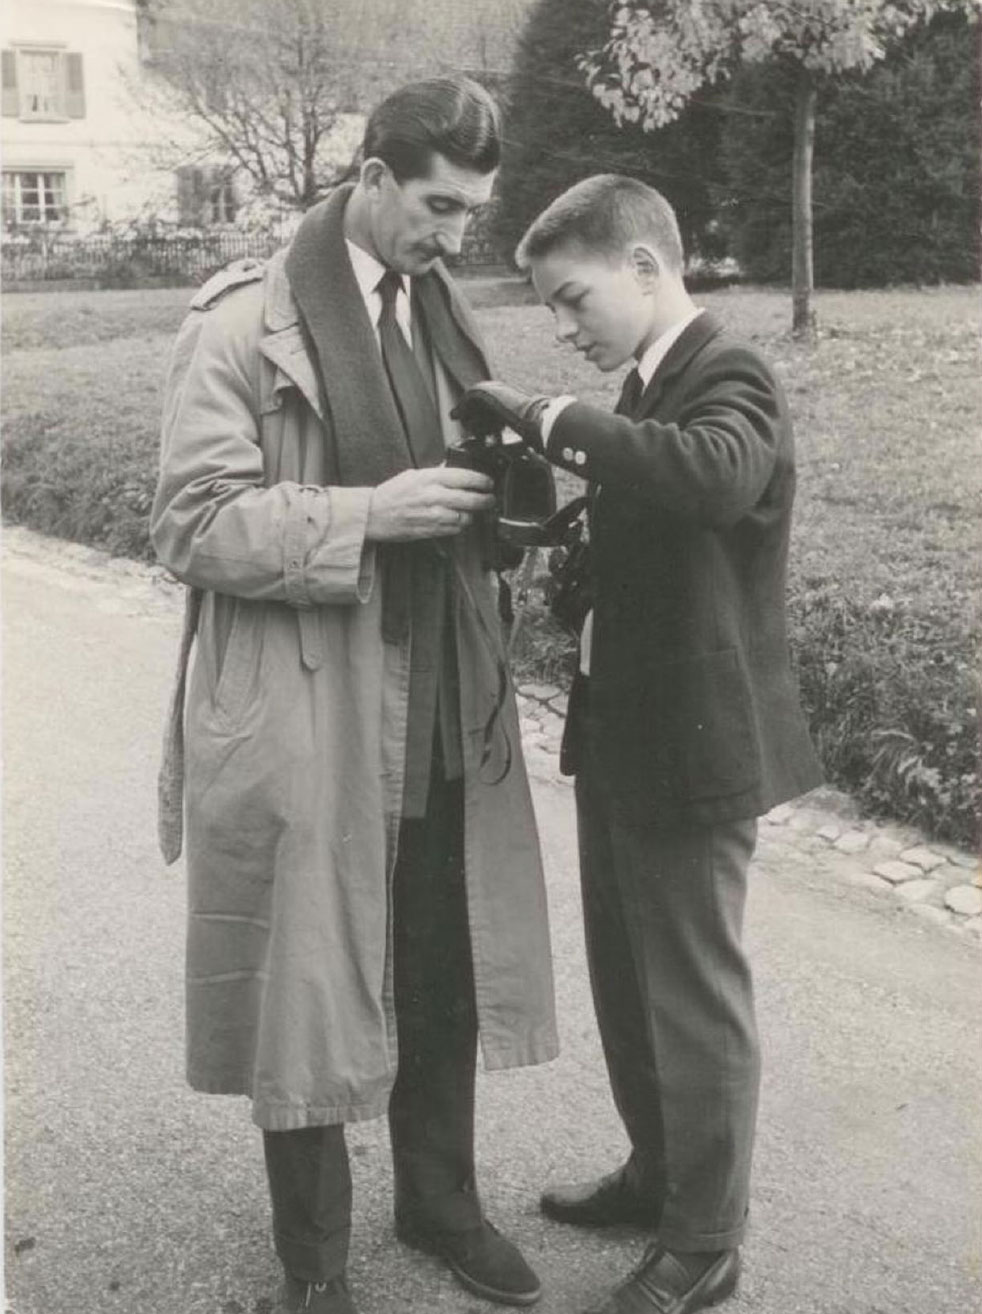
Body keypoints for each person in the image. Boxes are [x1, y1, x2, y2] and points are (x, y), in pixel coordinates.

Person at [151, 77, 558, 1314]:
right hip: (308, 706)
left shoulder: (440, 307)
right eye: (438, 205)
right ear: (373, 177)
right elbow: (189, 523)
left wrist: (513, 507)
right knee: (308, 976)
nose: (454, 234)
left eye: (473, 214)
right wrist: (366, 517)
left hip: (438, 694)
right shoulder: (237, 325)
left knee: (440, 958)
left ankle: (441, 1205)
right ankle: (313, 1267)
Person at [453, 175, 823, 1314]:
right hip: (626, 736)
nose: (564, 326)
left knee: (694, 997)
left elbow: (711, 479)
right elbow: (650, 538)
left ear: (648, 269)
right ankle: (659, 1174)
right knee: (628, 982)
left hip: (697, 747)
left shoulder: (729, 376)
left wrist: (551, 418)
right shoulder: (648, 386)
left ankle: (705, 1241)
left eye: (573, 298)